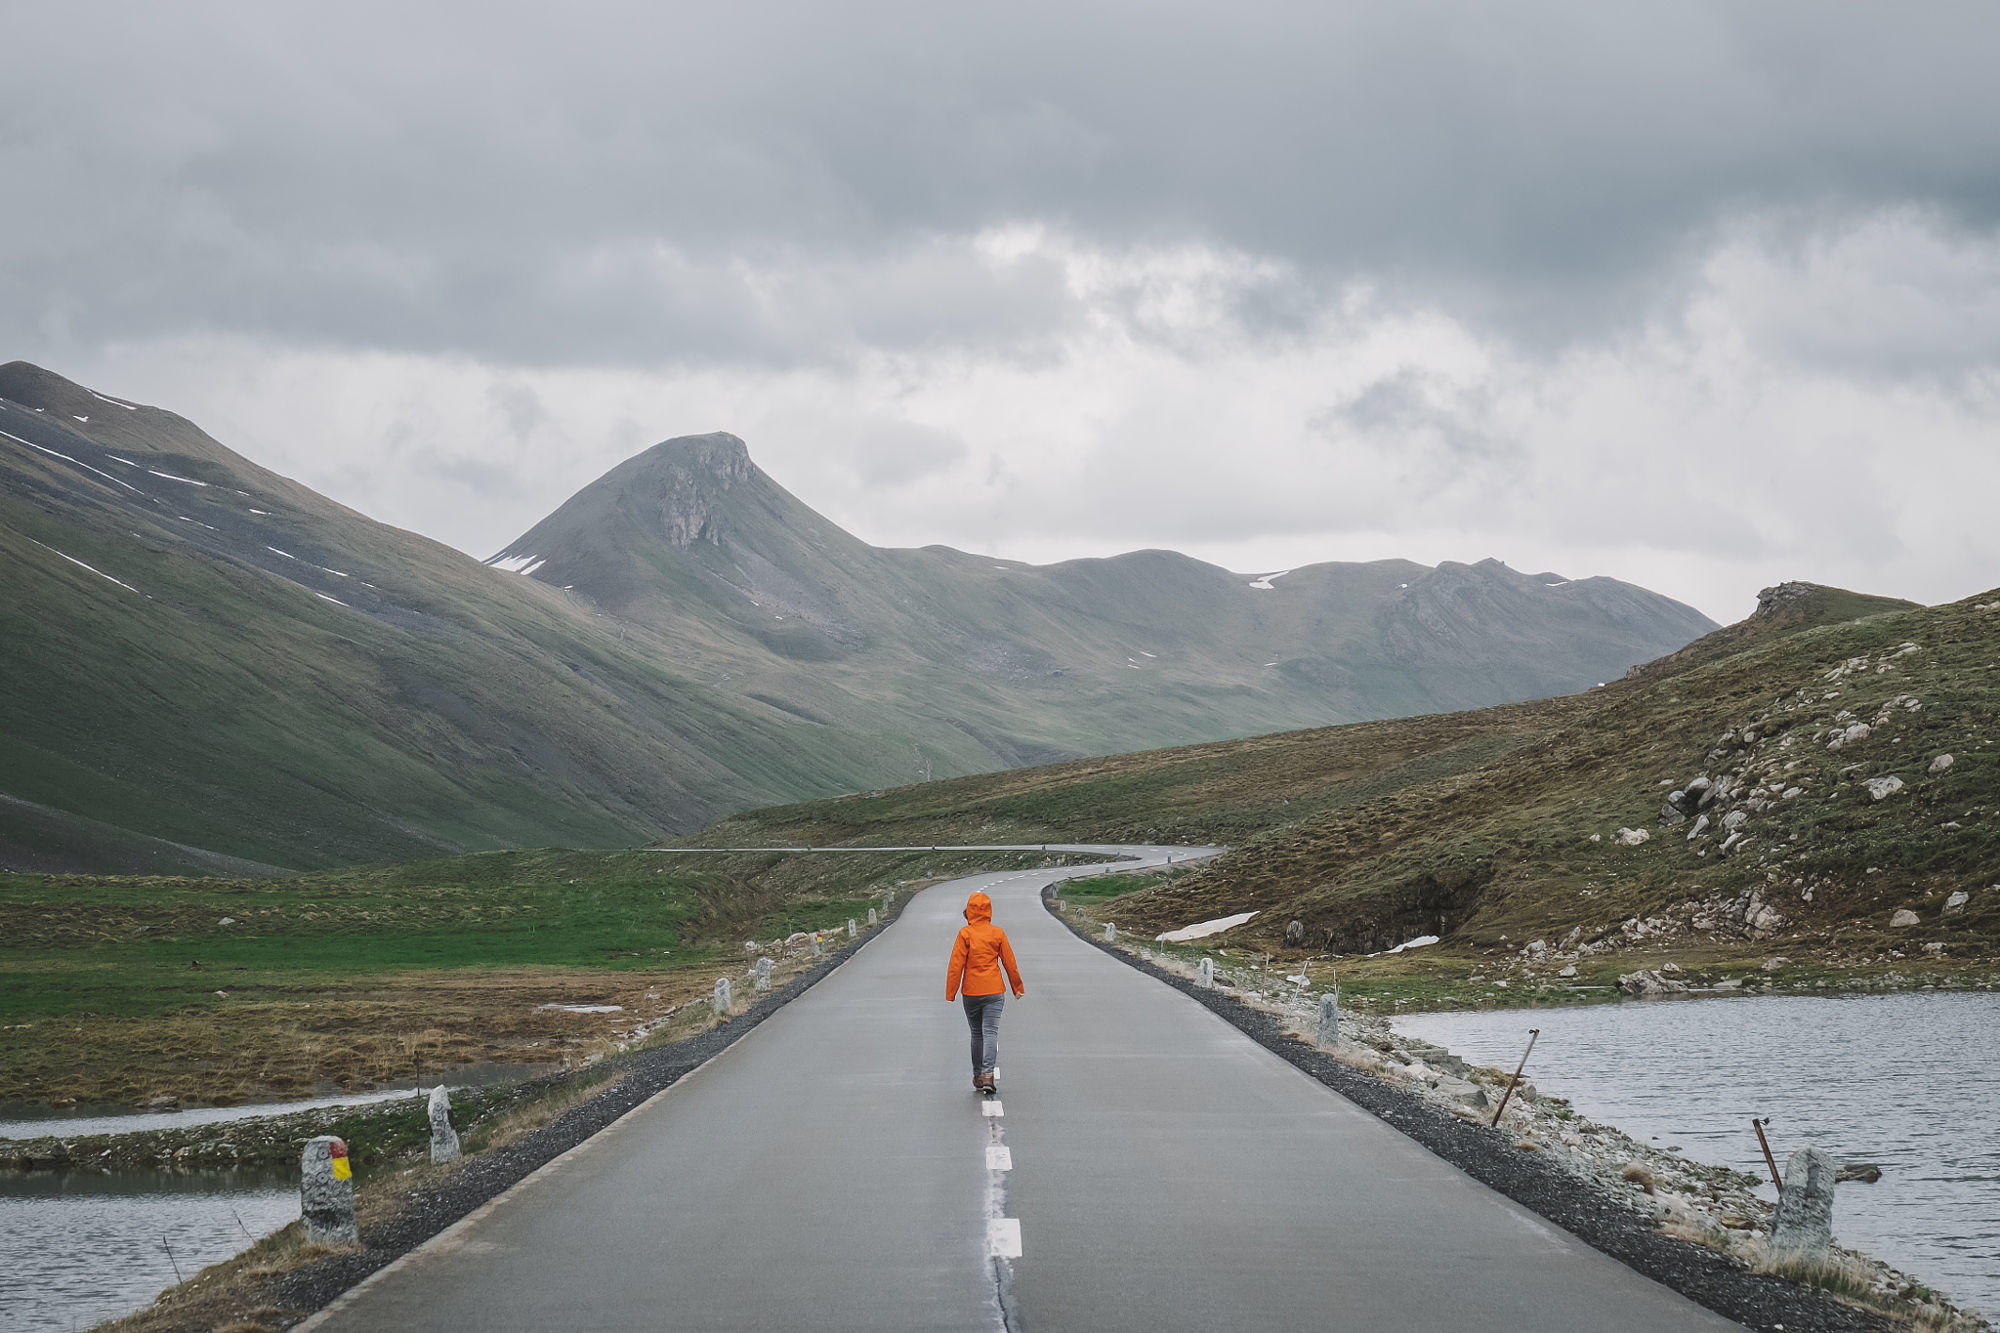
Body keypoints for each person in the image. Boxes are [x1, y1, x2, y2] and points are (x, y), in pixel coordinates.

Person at [945, 890, 1025, 1094]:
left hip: (971, 992)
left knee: (976, 1034)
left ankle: (978, 1075)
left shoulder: (965, 934)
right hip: (994, 991)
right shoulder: (997, 933)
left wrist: (951, 992)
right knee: (991, 1032)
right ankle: (988, 1074)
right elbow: (1010, 962)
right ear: (988, 911)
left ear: (969, 911)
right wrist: (1017, 987)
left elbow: (956, 965)